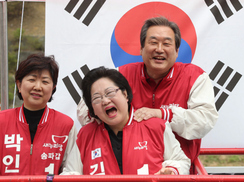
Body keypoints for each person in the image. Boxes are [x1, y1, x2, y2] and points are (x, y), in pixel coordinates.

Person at [118, 17, 219, 174]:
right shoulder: (121, 75)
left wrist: (163, 114)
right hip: (129, 173)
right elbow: (87, 111)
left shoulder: (195, 77)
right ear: (141, 49)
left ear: (177, 51)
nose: (159, 49)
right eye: (153, 42)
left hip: (179, 172)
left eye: (166, 44)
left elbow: (205, 121)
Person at [61, 66, 190, 175]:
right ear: (92, 109)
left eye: (110, 93)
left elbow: (181, 161)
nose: (105, 101)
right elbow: (70, 173)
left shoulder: (156, 127)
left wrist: (171, 171)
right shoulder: (85, 135)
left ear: (125, 94)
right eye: (97, 98)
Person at [0, 54, 77, 175]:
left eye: (45, 81)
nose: (37, 87)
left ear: (53, 88)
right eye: (32, 80)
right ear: (19, 85)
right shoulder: (2, 121)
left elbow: (72, 171)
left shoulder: (66, 125)